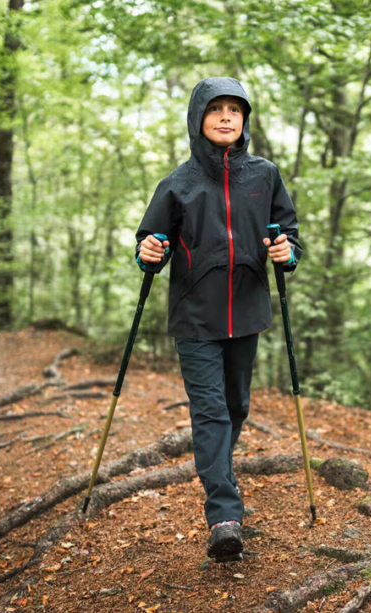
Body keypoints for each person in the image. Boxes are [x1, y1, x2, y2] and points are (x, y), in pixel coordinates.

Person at [135, 77, 302, 561]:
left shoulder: (264, 176)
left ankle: (217, 471)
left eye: (235, 109)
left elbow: (289, 238)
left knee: (236, 409)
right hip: (195, 318)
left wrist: (286, 252)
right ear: (199, 119)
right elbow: (151, 245)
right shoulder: (178, 183)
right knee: (210, 413)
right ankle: (225, 516)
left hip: (247, 312)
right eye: (216, 109)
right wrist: (149, 252)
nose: (227, 117)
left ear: (245, 120)